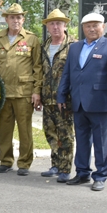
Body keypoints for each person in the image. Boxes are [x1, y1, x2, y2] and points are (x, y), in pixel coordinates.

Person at [57, 12, 107, 191]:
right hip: (79, 103)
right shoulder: (76, 47)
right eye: (88, 26)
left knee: (102, 142)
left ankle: (101, 175)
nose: (92, 29)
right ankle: (82, 173)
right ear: (83, 28)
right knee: (82, 140)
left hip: (101, 103)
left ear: (103, 27)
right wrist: (61, 95)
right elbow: (68, 74)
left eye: (96, 25)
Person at [0, 3, 42, 176]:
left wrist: (36, 91)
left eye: (19, 17)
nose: (15, 20)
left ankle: (24, 163)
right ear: (6, 19)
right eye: (12, 17)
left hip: (24, 92)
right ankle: (5, 161)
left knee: (24, 129)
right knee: (4, 129)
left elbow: (38, 67)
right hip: (4, 92)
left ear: (23, 19)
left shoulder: (31, 39)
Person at [39, 9, 75, 182]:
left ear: (65, 25)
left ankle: (65, 168)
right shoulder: (44, 45)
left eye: (58, 23)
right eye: (51, 23)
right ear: (47, 27)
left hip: (64, 100)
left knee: (65, 134)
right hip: (47, 98)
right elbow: (40, 72)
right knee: (50, 133)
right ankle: (55, 164)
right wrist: (38, 94)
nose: (55, 27)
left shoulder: (73, 46)